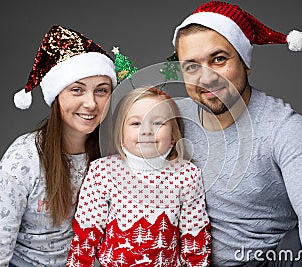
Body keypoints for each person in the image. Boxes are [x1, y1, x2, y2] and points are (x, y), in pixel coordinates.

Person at [171, 1, 302, 267]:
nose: (206, 78)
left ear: (245, 63)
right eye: (192, 66)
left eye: (218, 59)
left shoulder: (283, 128)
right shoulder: (170, 119)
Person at [0, 25, 117, 266]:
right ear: (56, 97)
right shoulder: (25, 157)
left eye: (101, 91)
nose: (91, 104)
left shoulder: (114, 152)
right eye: (77, 90)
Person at [66, 87, 211, 267]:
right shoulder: (102, 172)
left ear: (174, 136)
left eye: (158, 123)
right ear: (121, 135)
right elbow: (86, 237)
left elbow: (195, 238)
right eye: (135, 123)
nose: (147, 130)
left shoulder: (186, 175)